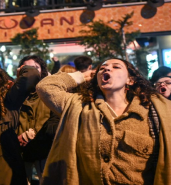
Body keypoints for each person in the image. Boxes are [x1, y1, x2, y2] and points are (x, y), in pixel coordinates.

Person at [36, 58, 171, 184]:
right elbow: (46, 87)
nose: (107, 69)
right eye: (102, 68)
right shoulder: (79, 106)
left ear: (130, 80)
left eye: (116, 67)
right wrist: (83, 76)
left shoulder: (152, 111)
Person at [16, 56, 59, 184]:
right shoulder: (14, 95)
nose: (31, 72)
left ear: (43, 71)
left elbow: (56, 120)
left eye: (35, 68)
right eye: (26, 68)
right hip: (21, 154)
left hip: (46, 152)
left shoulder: (51, 93)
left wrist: (31, 133)